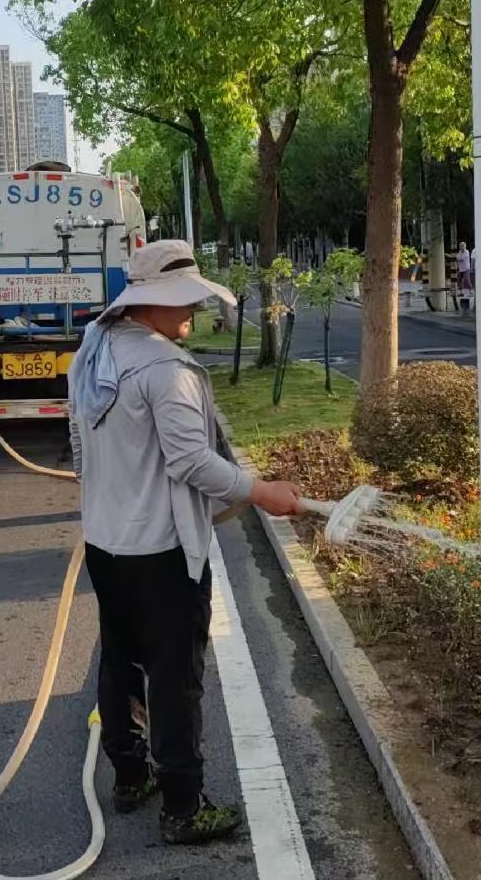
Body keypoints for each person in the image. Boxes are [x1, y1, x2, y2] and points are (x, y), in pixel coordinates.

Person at [68, 239, 303, 846]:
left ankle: (129, 776)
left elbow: (79, 451)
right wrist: (260, 490)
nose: (193, 310)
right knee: (175, 678)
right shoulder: (166, 370)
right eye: (186, 300)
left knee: (120, 662)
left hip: (106, 544)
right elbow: (192, 462)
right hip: (162, 554)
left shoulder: (92, 352)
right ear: (155, 303)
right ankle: (183, 804)